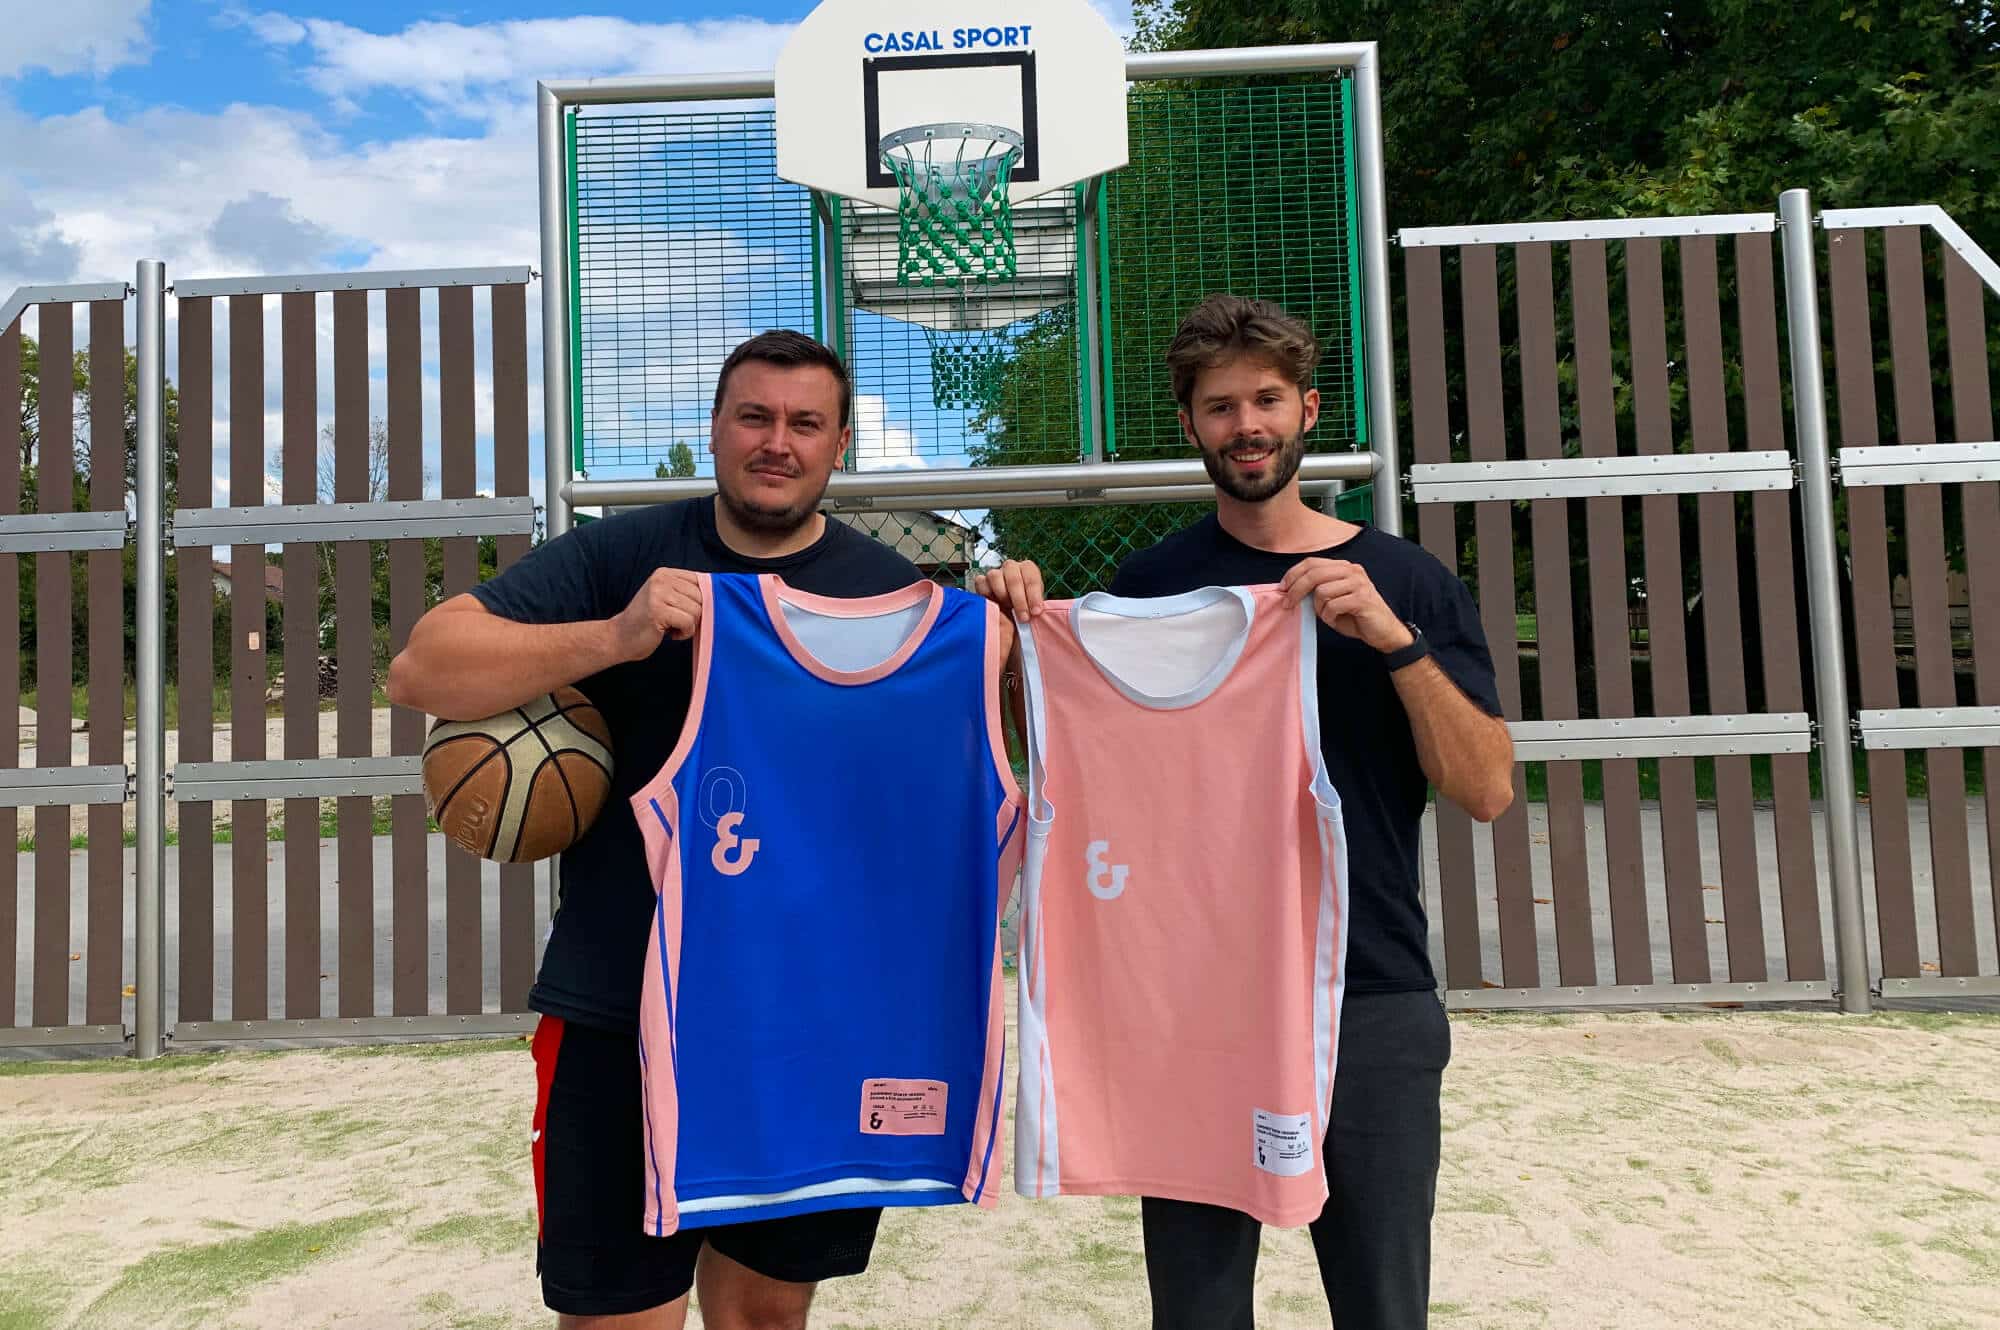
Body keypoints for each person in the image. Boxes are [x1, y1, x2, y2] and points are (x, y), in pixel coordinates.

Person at [974, 293, 1514, 1330]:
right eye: (1219, 406)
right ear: (1190, 425)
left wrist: (1392, 638)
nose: (1245, 425)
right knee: (1197, 1311)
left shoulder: (1402, 578)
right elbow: (1076, 762)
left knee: (1381, 1305)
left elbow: (1485, 786)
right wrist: (1016, 648)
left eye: (1264, 398)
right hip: (1193, 1004)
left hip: (1369, 992)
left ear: (1307, 409)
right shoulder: (1152, 586)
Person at [386, 331, 921, 1330]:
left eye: (804, 423)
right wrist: (617, 635)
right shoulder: (626, 555)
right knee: (616, 1316)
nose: (777, 442)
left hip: (803, 1014)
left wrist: (1017, 634)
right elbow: (422, 667)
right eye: (753, 417)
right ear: (713, 431)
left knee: (765, 1313)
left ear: (838, 444)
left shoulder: (886, 591)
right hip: (617, 995)